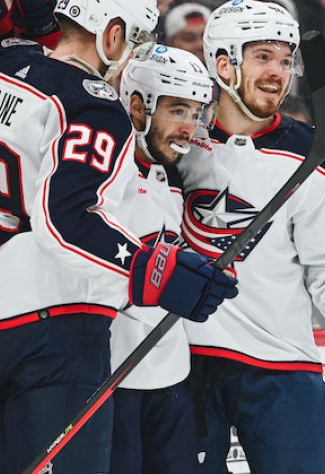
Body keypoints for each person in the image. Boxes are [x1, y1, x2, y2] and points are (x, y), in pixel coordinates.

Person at [0, 0, 237, 471]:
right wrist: (150, 269)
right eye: (133, 41)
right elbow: (64, 221)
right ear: (111, 37)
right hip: (53, 331)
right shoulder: (93, 105)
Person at [177, 0, 325, 472]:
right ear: (223, 63)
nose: (278, 72)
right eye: (262, 56)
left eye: (285, 59)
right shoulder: (175, 145)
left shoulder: (317, 157)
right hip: (183, 366)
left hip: (281, 366)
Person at [109, 45, 215, 474]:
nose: (189, 127)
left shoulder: (178, 175)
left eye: (195, 112)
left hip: (171, 375)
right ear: (137, 107)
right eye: (177, 110)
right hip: (111, 377)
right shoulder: (101, 174)